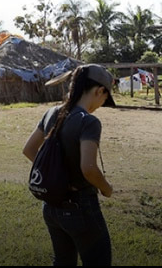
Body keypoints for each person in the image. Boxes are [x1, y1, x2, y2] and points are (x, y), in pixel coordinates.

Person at [23, 64, 115, 266]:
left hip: (51, 206)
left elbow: (29, 150)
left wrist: (56, 176)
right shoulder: (89, 122)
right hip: (80, 206)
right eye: (105, 98)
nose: (101, 104)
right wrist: (106, 188)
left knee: (63, 262)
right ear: (99, 91)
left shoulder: (50, 113)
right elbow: (88, 168)